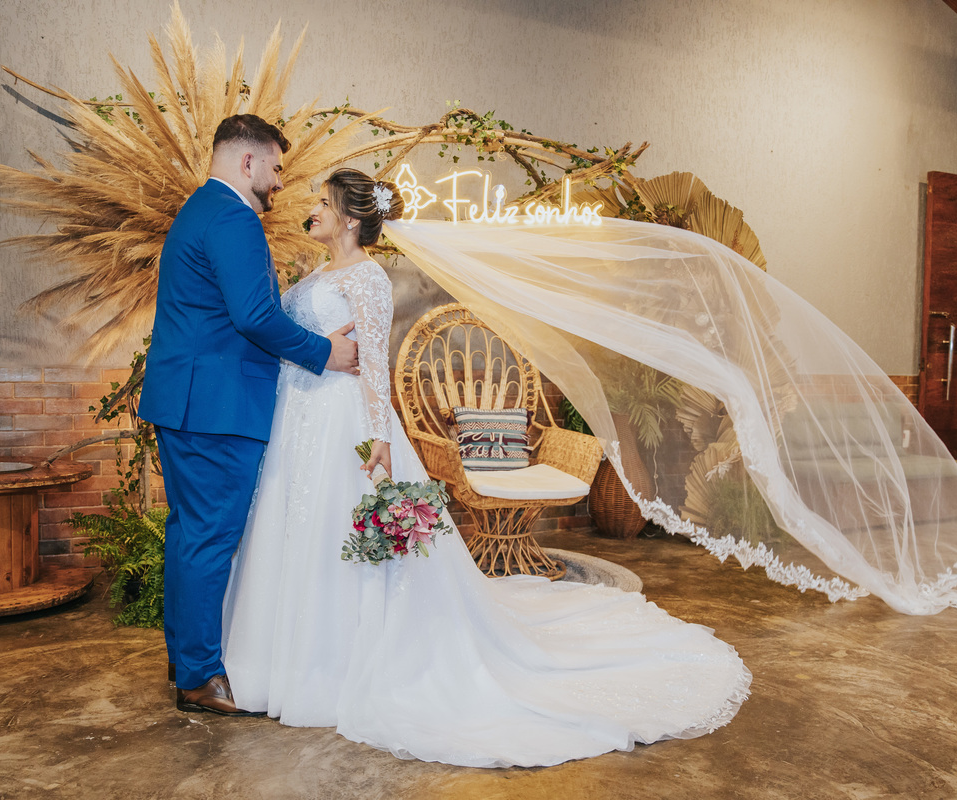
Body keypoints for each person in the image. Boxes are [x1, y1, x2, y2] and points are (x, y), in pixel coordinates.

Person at [220, 169, 752, 767]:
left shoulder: (367, 277)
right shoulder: (318, 274)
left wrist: (380, 440)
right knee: (299, 532)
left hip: (341, 422)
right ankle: (289, 654)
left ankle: (338, 660)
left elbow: (374, 365)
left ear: (349, 219)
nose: (312, 209)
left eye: (323, 202)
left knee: (344, 537)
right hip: (299, 418)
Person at [138, 115, 360, 717]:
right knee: (209, 536)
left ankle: (187, 658)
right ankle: (199, 678)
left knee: (190, 533)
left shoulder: (200, 210)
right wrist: (325, 352)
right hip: (216, 407)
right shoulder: (233, 218)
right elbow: (254, 317)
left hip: (189, 401)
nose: (280, 181)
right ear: (247, 162)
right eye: (276, 167)